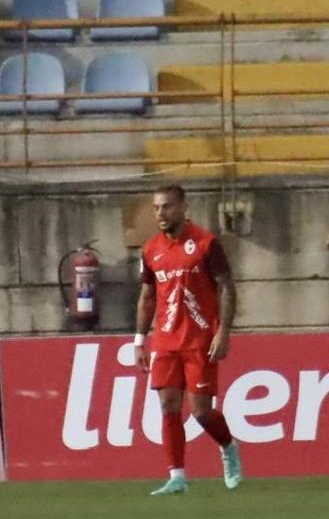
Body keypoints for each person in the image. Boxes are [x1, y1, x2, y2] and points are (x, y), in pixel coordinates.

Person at [134, 185, 243, 496]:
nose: (161, 213)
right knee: (168, 405)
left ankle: (228, 445)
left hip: (200, 339)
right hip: (165, 341)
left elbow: (226, 287)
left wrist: (223, 332)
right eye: (156, 208)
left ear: (183, 207)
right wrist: (139, 339)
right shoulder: (151, 249)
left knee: (200, 411)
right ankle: (177, 476)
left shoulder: (206, 243)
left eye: (167, 207)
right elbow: (147, 295)